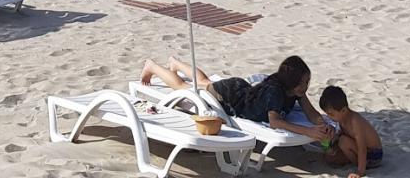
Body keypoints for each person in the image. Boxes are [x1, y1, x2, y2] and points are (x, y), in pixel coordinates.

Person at [138, 55, 333, 140]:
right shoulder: (276, 92)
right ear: (291, 82)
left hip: (242, 90)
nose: (305, 87)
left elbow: (310, 111)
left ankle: (175, 62)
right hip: (229, 98)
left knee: (205, 81)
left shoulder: (295, 91)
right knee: (186, 87)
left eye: (307, 82)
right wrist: (308, 132)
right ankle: (152, 66)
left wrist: (322, 124)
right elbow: (275, 122)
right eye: (302, 83)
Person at [319, 86, 383, 177]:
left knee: (343, 142)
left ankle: (358, 165)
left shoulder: (355, 122)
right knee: (330, 158)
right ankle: (348, 160)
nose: (329, 117)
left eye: (331, 114)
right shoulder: (342, 118)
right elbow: (342, 134)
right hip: (360, 151)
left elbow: (362, 148)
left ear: (344, 110)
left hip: (373, 156)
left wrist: (360, 172)